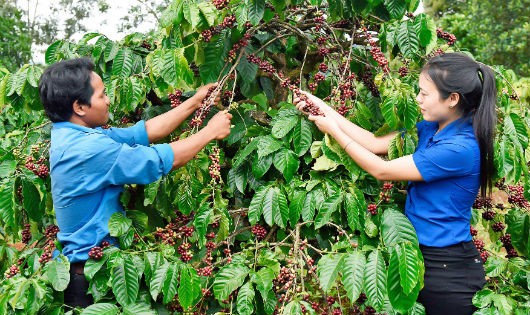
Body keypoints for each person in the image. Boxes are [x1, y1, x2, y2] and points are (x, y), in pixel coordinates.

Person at [294, 52, 496, 315]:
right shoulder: (430, 128)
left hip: (449, 270)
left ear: (452, 99)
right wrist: (321, 108)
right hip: (417, 257)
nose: (417, 99)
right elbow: (375, 143)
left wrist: (332, 131)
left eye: (425, 94)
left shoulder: (459, 148)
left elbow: (382, 170)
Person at [38, 57, 232, 307]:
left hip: (87, 271)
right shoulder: (89, 149)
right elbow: (161, 161)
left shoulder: (72, 135)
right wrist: (210, 132)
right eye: (102, 95)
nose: (108, 100)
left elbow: (144, 132)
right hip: (91, 282)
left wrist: (195, 102)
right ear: (80, 106)